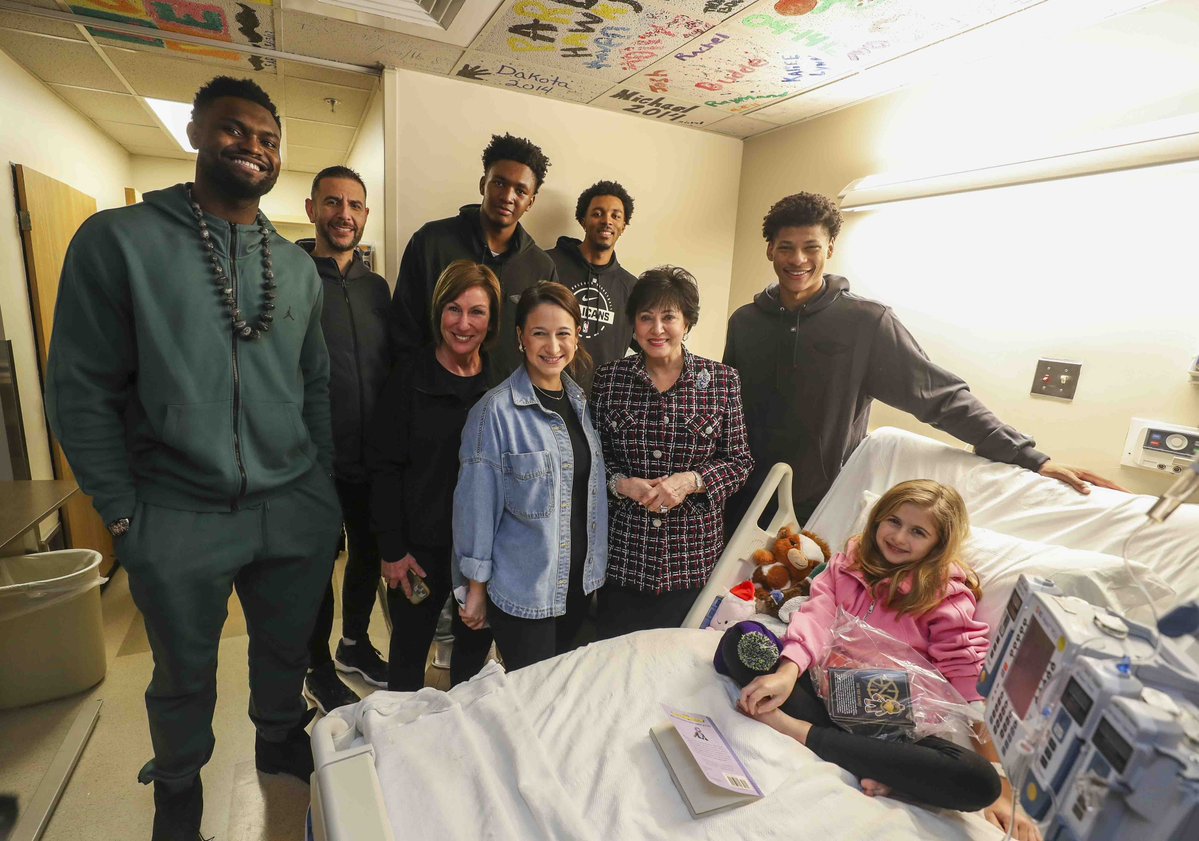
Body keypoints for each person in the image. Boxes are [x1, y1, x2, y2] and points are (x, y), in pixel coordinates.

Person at [44, 76, 341, 841]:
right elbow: (80, 390)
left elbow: (314, 387)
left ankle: (279, 732)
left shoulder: (297, 267)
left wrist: (322, 496)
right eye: (235, 130)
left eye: (269, 139)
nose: (254, 146)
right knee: (181, 671)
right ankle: (178, 784)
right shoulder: (120, 241)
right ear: (196, 132)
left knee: (284, 645)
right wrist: (119, 509)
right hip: (176, 507)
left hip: (291, 505)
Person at [723, 192, 1123, 530]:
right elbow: (724, 411)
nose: (798, 260)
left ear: (829, 249)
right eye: (786, 248)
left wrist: (1032, 458)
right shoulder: (745, 322)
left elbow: (938, 396)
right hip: (741, 494)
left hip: (822, 503)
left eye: (811, 247)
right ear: (770, 250)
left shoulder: (865, 322)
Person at [730, 480, 1040, 841]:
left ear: (938, 544)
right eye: (893, 521)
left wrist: (1002, 783)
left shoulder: (946, 595)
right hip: (822, 692)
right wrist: (788, 672)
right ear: (877, 519)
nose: (899, 537)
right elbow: (817, 615)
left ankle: (796, 731)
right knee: (743, 639)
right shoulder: (848, 564)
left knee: (979, 782)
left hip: (892, 726)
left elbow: (969, 681)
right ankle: (881, 768)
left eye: (918, 532)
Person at [452, 282, 607, 671]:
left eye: (563, 334)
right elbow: (476, 508)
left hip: (578, 586)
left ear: (577, 337)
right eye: (540, 333)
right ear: (520, 337)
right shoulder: (493, 412)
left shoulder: (581, 404)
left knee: (558, 696)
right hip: (525, 592)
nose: (552, 346)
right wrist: (474, 588)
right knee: (531, 701)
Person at [592, 267, 753, 637]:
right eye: (646, 318)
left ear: (687, 322)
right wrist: (622, 484)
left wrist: (692, 480)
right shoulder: (609, 379)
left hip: (693, 563)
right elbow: (593, 460)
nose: (657, 328)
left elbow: (739, 461)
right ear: (633, 325)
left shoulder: (721, 381)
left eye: (668, 317)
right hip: (622, 559)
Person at [367, 261, 500, 690]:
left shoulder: (500, 384)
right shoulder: (409, 376)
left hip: (480, 555)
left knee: (473, 659)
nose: (463, 324)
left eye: (477, 312)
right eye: (453, 309)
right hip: (418, 552)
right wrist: (391, 549)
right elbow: (383, 466)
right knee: (407, 656)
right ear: (438, 311)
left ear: (492, 319)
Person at [299, 165, 390, 713]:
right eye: (333, 203)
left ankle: (354, 644)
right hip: (311, 457)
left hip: (370, 454)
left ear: (365, 215)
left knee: (368, 554)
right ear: (312, 209)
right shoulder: (288, 273)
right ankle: (315, 667)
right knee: (315, 567)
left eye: (354, 206)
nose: (344, 215)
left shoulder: (376, 287)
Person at [389, 133, 558, 376]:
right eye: (499, 183)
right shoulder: (431, 242)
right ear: (482, 184)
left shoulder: (541, 267)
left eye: (520, 191)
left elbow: (543, 344)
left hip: (507, 405)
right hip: (432, 397)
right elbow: (403, 329)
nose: (508, 196)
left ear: (530, 202)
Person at [546, 180, 638, 387]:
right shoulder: (548, 265)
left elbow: (649, 346)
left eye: (616, 216)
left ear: (623, 226)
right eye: (597, 213)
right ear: (583, 220)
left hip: (603, 403)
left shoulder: (632, 288)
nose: (607, 221)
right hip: (546, 396)